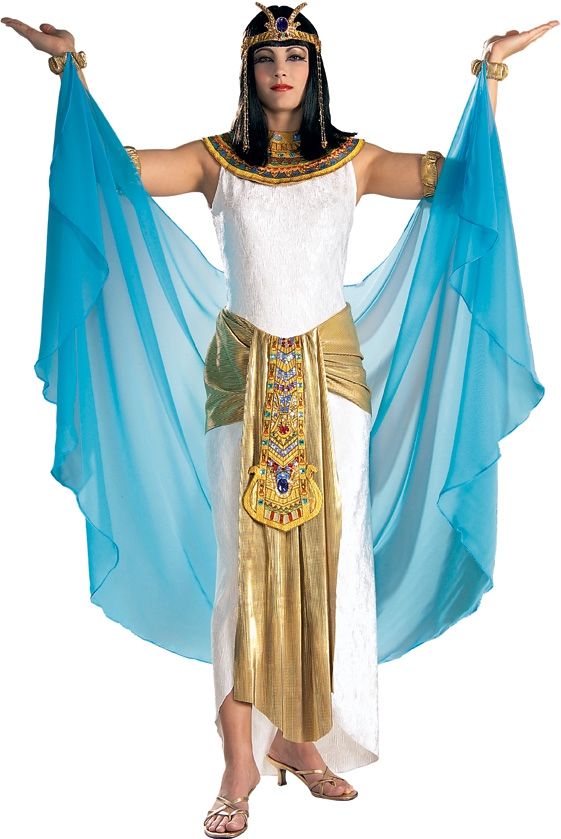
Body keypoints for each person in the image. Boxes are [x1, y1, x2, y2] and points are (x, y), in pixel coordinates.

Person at [2, 5, 557, 838]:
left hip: (331, 378)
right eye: (267, 57)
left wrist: (489, 76)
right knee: (244, 564)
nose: (282, 70)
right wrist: (70, 69)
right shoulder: (214, 161)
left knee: (331, 559)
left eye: (295, 55)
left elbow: (462, 180)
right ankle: (237, 764)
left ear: (314, 69)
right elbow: (106, 171)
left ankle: (301, 737)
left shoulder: (354, 161)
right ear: (249, 71)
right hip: (241, 376)